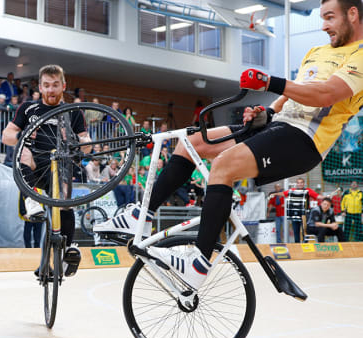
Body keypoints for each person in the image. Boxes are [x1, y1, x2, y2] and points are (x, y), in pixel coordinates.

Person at [96, 0, 363, 290]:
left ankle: (198, 264)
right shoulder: (317, 51)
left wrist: (271, 81)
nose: (323, 25)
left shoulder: (360, 56)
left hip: (304, 139)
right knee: (192, 142)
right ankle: (141, 217)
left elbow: (324, 94)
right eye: (322, 18)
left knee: (222, 165)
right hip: (278, 126)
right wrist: (269, 111)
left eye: (329, 17)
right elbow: (293, 94)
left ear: (353, 14)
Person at [1, 64, 92, 277]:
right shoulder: (28, 108)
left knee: (63, 207)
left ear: (63, 86)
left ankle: (66, 250)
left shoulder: (73, 112)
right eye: (46, 85)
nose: (51, 90)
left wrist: (85, 142)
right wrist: (22, 136)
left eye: (55, 85)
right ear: (40, 87)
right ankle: (32, 200)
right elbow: (7, 136)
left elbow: (86, 141)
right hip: (34, 162)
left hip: (61, 164)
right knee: (22, 151)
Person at [284, 178, 322, 242]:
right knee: (296, 231)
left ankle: (305, 245)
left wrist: (326, 197)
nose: (300, 184)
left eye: (301, 182)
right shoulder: (293, 190)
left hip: (305, 214)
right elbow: (284, 194)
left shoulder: (308, 190)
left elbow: (317, 196)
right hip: (295, 214)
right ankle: (297, 245)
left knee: (305, 231)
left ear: (303, 184)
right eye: (298, 183)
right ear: (297, 184)